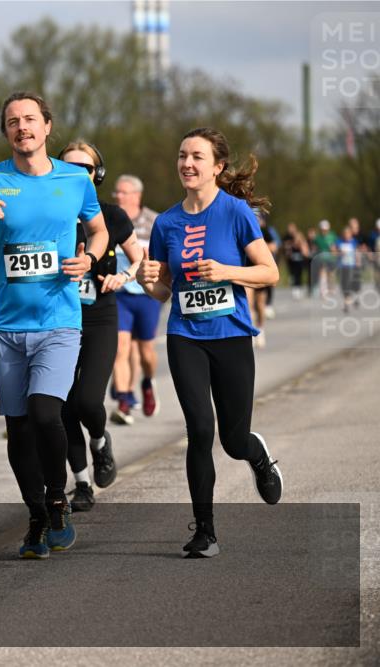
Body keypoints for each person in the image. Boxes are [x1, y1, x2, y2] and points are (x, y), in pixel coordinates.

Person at [0, 92, 109, 558]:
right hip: (6, 324)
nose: (21, 127)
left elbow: (99, 230)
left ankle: (58, 498)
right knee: (19, 428)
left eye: (29, 120)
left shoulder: (76, 179)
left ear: (47, 127)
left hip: (59, 320)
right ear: (6, 133)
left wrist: (89, 258)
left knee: (47, 412)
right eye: (12, 122)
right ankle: (37, 516)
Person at [137, 126, 282, 558]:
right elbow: (165, 292)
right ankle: (205, 531)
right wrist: (149, 282)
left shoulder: (236, 212)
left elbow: (269, 272)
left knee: (232, 440)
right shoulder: (166, 223)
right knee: (200, 429)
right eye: (182, 155)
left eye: (197, 156)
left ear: (217, 167)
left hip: (232, 336)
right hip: (186, 337)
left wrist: (227, 271)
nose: (187, 163)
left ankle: (258, 457)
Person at [58, 142, 143, 512]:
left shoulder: (112, 215)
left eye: (86, 168)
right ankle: (81, 483)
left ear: (97, 175)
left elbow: (139, 257)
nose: (78, 174)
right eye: (70, 167)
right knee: (60, 407)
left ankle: (99, 441)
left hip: (100, 317)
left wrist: (124, 275)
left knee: (87, 400)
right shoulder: (51, 213)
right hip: (57, 318)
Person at [110, 174, 162, 425]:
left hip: (147, 294)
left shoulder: (154, 221)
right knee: (120, 347)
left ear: (136, 196)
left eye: (123, 192)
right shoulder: (110, 219)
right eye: (116, 193)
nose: (118, 196)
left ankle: (147, 382)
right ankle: (124, 401)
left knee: (145, 353)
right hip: (119, 294)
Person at [248, 212, 278, 349]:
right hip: (246, 270)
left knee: (260, 304)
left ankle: (260, 330)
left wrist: (257, 246)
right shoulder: (245, 227)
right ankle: (251, 332)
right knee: (248, 304)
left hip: (261, 271)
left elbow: (274, 247)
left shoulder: (265, 231)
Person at [336, 225, 362, 313]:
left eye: (348, 234)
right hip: (342, 266)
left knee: (349, 284)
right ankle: (348, 301)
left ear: (351, 234)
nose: (347, 235)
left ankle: (347, 304)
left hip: (351, 266)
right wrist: (339, 252)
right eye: (345, 234)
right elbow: (334, 250)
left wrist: (358, 262)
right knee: (343, 286)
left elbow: (357, 252)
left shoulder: (354, 242)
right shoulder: (339, 241)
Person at [282, 222, 309, 299]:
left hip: (300, 259)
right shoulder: (287, 238)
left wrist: (300, 244)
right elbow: (285, 249)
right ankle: (295, 289)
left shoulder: (300, 238)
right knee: (293, 274)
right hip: (291, 260)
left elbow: (304, 249)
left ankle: (299, 288)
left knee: (299, 274)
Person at [313, 219, 337, 297]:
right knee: (322, 273)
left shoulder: (332, 236)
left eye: (325, 229)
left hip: (331, 258)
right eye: (323, 229)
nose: (324, 231)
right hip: (321, 258)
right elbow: (315, 248)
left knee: (331, 274)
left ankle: (331, 288)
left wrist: (334, 250)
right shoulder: (317, 238)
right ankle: (323, 290)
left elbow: (335, 246)